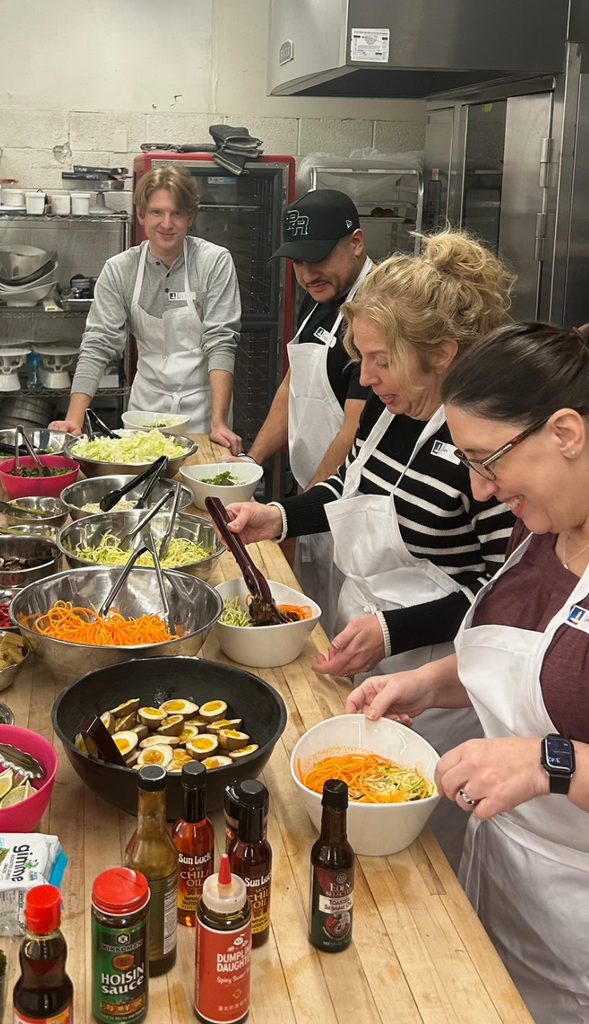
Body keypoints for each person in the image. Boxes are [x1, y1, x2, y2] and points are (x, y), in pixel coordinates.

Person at [221, 232, 517, 864]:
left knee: (414, 848)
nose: (365, 376)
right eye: (360, 356)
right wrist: (277, 516)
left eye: (380, 358)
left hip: (438, 674)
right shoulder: (390, 412)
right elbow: (347, 487)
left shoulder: (481, 447)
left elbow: (501, 596)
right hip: (368, 639)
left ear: (441, 354)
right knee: (350, 824)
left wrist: (395, 630)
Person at [348, 322, 589, 1023]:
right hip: (501, 876)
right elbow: (528, 667)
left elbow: (557, 732)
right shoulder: (540, 526)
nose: (480, 492)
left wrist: (554, 763)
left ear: (566, 433)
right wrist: (427, 683)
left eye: (490, 462)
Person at [228, 190, 371, 636]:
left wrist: (296, 514)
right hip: (312, 500)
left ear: (357, 243)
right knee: (310, 625)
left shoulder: (377, 311)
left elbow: (353, 429)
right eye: (298, 262)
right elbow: (294, 387)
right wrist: (249, 465)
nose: (308, 273)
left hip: (347, 509)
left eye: (319, 257)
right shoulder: (321, 300)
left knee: (341, 631)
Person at [50, 165, 242, 452]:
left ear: (190, 216)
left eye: (176, 213)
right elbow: (98, 344)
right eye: (156, 212)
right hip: (145, 410)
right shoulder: (119, 270)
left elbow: (221, 341)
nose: (167, 223)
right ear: (140, 214)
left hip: (203, 411)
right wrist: (74, 420)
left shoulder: (214, 262)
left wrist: (219, 422)